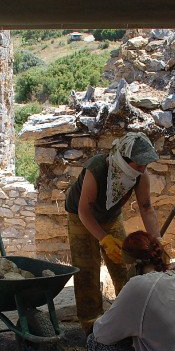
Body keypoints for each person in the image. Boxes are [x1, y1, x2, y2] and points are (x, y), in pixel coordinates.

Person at [64, 132, 162, 335]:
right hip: (80, 217)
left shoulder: (140, 175)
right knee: (86, 271)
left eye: (146, 164)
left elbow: (146, 207)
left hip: (111, 217)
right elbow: (84, 211)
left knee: (125, 266)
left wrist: (157, 241)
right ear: (124, 160)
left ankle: (127, 319)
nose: (143, 169)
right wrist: (105, 239)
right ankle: (91, 328)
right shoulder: (97, 168)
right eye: (139, 164)